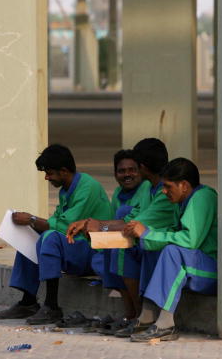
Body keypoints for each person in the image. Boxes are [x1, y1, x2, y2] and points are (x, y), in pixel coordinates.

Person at [66, 138, 176, 334]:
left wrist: (97, 225)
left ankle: (138, 316)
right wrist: (92, 225)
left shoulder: (162, 192)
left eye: (134, 167)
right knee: (111, 245)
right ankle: (131, 314)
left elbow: (134, 224)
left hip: (162, 245)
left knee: (122, 248)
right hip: (146, 240)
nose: (129, 173)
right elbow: (132, 219)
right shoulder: (148, 188)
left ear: (142, 167)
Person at [0, 144, 111, 324]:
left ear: (64, 171)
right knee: (29, 236)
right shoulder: (66, 190)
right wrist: (31, 223)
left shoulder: (87, 187)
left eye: (49, 173)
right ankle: (28, 301)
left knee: (48, 237)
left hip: (93, 250)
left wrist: (32, 219)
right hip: (76, 246)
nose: (46, 177)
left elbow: (64, 226)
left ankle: (52, 306)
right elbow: (56, 221)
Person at [123, 157, 218, 342]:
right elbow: (174, 233)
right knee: (153, 248)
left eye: (168, 187)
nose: (164, 191)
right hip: (195, 264)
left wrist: (147, 234)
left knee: (171, 252)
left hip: (211, 271)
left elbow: (189, 241)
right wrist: (147, 234)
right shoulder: (182, 200)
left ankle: (166, 324)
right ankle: (147, 317)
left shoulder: (203, 197)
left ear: (183, 185)